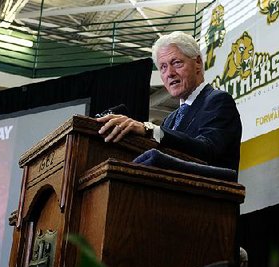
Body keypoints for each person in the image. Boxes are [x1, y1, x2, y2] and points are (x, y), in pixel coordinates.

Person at [97, 31, 242, 175]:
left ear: (198, 63)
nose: (169, 73)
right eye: (163, 67)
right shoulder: (170, 119)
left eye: (176, 63)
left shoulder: (218, 101)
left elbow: (207, 150)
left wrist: (149, 130)